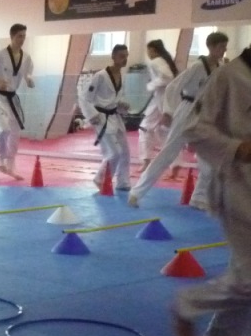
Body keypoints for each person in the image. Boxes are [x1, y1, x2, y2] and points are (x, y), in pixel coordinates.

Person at [171, 42, 251, 336]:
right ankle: (188, 303)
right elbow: (193, 128)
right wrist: (237, 147)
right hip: (237, 186)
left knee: (246, 274)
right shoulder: (228, 76)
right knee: (249, 278)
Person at [128, 32, 228, 208]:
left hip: (205, 114)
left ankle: (199, 198)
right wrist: (168, 111)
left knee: (208, 157)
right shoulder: (198, 66)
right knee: (168, 153)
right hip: (187, 110)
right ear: (210, 47)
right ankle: (136, 192)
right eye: (221, 47)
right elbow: (173, 87)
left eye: (225, 47)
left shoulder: (220, 67)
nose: (224, 50)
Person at [0, 23, 34, 180]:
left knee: (15, 132)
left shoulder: (26, 57)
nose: (22, 39)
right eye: (19, 36)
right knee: (2, 129)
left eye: (24, 36)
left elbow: (28, 72)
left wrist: (29, 79)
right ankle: (0, 161)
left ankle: (10, 166)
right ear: (12, 37)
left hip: (12, 98)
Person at [79, 44, 133, 191]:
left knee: (125, 152)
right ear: (113, 57)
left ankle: (123, 182)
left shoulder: (122, 76)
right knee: (114, 153)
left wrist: (122, 106)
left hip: (115, 117)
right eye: (121, 56)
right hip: (101, 118)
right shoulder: (101, 76)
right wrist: (92, 115)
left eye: (126, 56)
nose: (124, 59)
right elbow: (84, 97)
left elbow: (114, 100)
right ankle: (100, 179)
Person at [137, 38, 178, 171]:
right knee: (163, 131)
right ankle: (174, 163)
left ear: (153, 50)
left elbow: (168, 77)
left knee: (146, 128)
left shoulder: (156, 61)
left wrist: (151, 85)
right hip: (165, 99)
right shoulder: (165, 60)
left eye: (148, 50)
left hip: (162, 100)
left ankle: (147, 160)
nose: (148, 53)